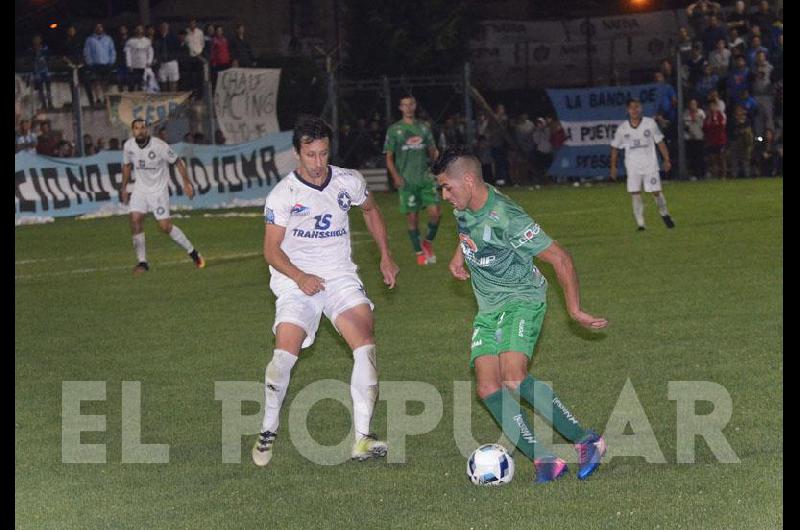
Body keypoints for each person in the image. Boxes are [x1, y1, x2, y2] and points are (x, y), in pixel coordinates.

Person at [433, 145, 609, 484]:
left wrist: (573, 310)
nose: (444, 195)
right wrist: (460, 253)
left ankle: (587, 441)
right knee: (487, 387)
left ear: (468, 180)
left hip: (521, 299)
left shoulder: (507, 217)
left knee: (513, 376)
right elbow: (467, 227)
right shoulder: (464, 204)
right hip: (489, 307)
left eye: (447, 187)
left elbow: (560, 258)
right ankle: (545, 460)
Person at [252, 115, 400, 466]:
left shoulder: (349, 180)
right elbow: (271, 251)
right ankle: (268, 428)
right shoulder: (283, 194)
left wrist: (385, 256)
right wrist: (300, 276)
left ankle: (362, 439)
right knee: (282, 360)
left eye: (323, 154)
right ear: (297, 154)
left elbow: (371, 210)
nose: (318, 163)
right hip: (294, 280)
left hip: (339, 276)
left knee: (365, 346)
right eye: (311, 155)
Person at [119, 119, 205, 275]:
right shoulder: (129, 146)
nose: (139, 130)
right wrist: (124, 187)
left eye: (142, 128)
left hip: (158, 192)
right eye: (136, 128)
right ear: (133, 131)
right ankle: (142, 262)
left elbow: (178, 162)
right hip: (140, 190)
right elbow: (126, 166)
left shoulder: (159, 146)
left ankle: (193, 252)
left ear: (147, 130)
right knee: (135, 219)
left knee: (165, 227)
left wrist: (187, 183)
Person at [384, 94, 441, 266]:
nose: (408, 107)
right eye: (404, 105)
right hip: (407, 181)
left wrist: (437, 168)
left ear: (415, 106)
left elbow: (433, 151)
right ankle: (419, 253)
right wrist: (396, 176)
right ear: (400, 108)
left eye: (411, 104)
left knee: (436, 214)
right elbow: (389, 157)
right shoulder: (395, 130)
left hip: (425, 178)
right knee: (412, 218)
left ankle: (427, 243)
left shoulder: (424, 128)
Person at [609, 98, 675, 231]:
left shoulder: (650, 124)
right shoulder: (623, 128)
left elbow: (660, 142)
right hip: (633, 166)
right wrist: (613, 167)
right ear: (628, 110)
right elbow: (615, 148)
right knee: (635, 192)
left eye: (637, 107)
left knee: (656, 192)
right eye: (632, 108)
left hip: (650, 165)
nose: (634, 110)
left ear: (641, 109)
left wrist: (666, 159)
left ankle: (664, 213)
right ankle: (641, 223)